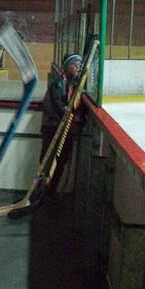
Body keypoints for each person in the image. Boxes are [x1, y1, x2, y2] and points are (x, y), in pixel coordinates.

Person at [40, 53, 83, 197]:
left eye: (79, 65)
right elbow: (58, 107)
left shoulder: (73, 84)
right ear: (68, 66)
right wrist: (71, 115)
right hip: (52, 128)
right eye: (75, 64)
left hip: (64, 129)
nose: (78, 68)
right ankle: (42, 192)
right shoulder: (58, 83)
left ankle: (50, 192)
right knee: (47, 162)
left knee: (61, 162)